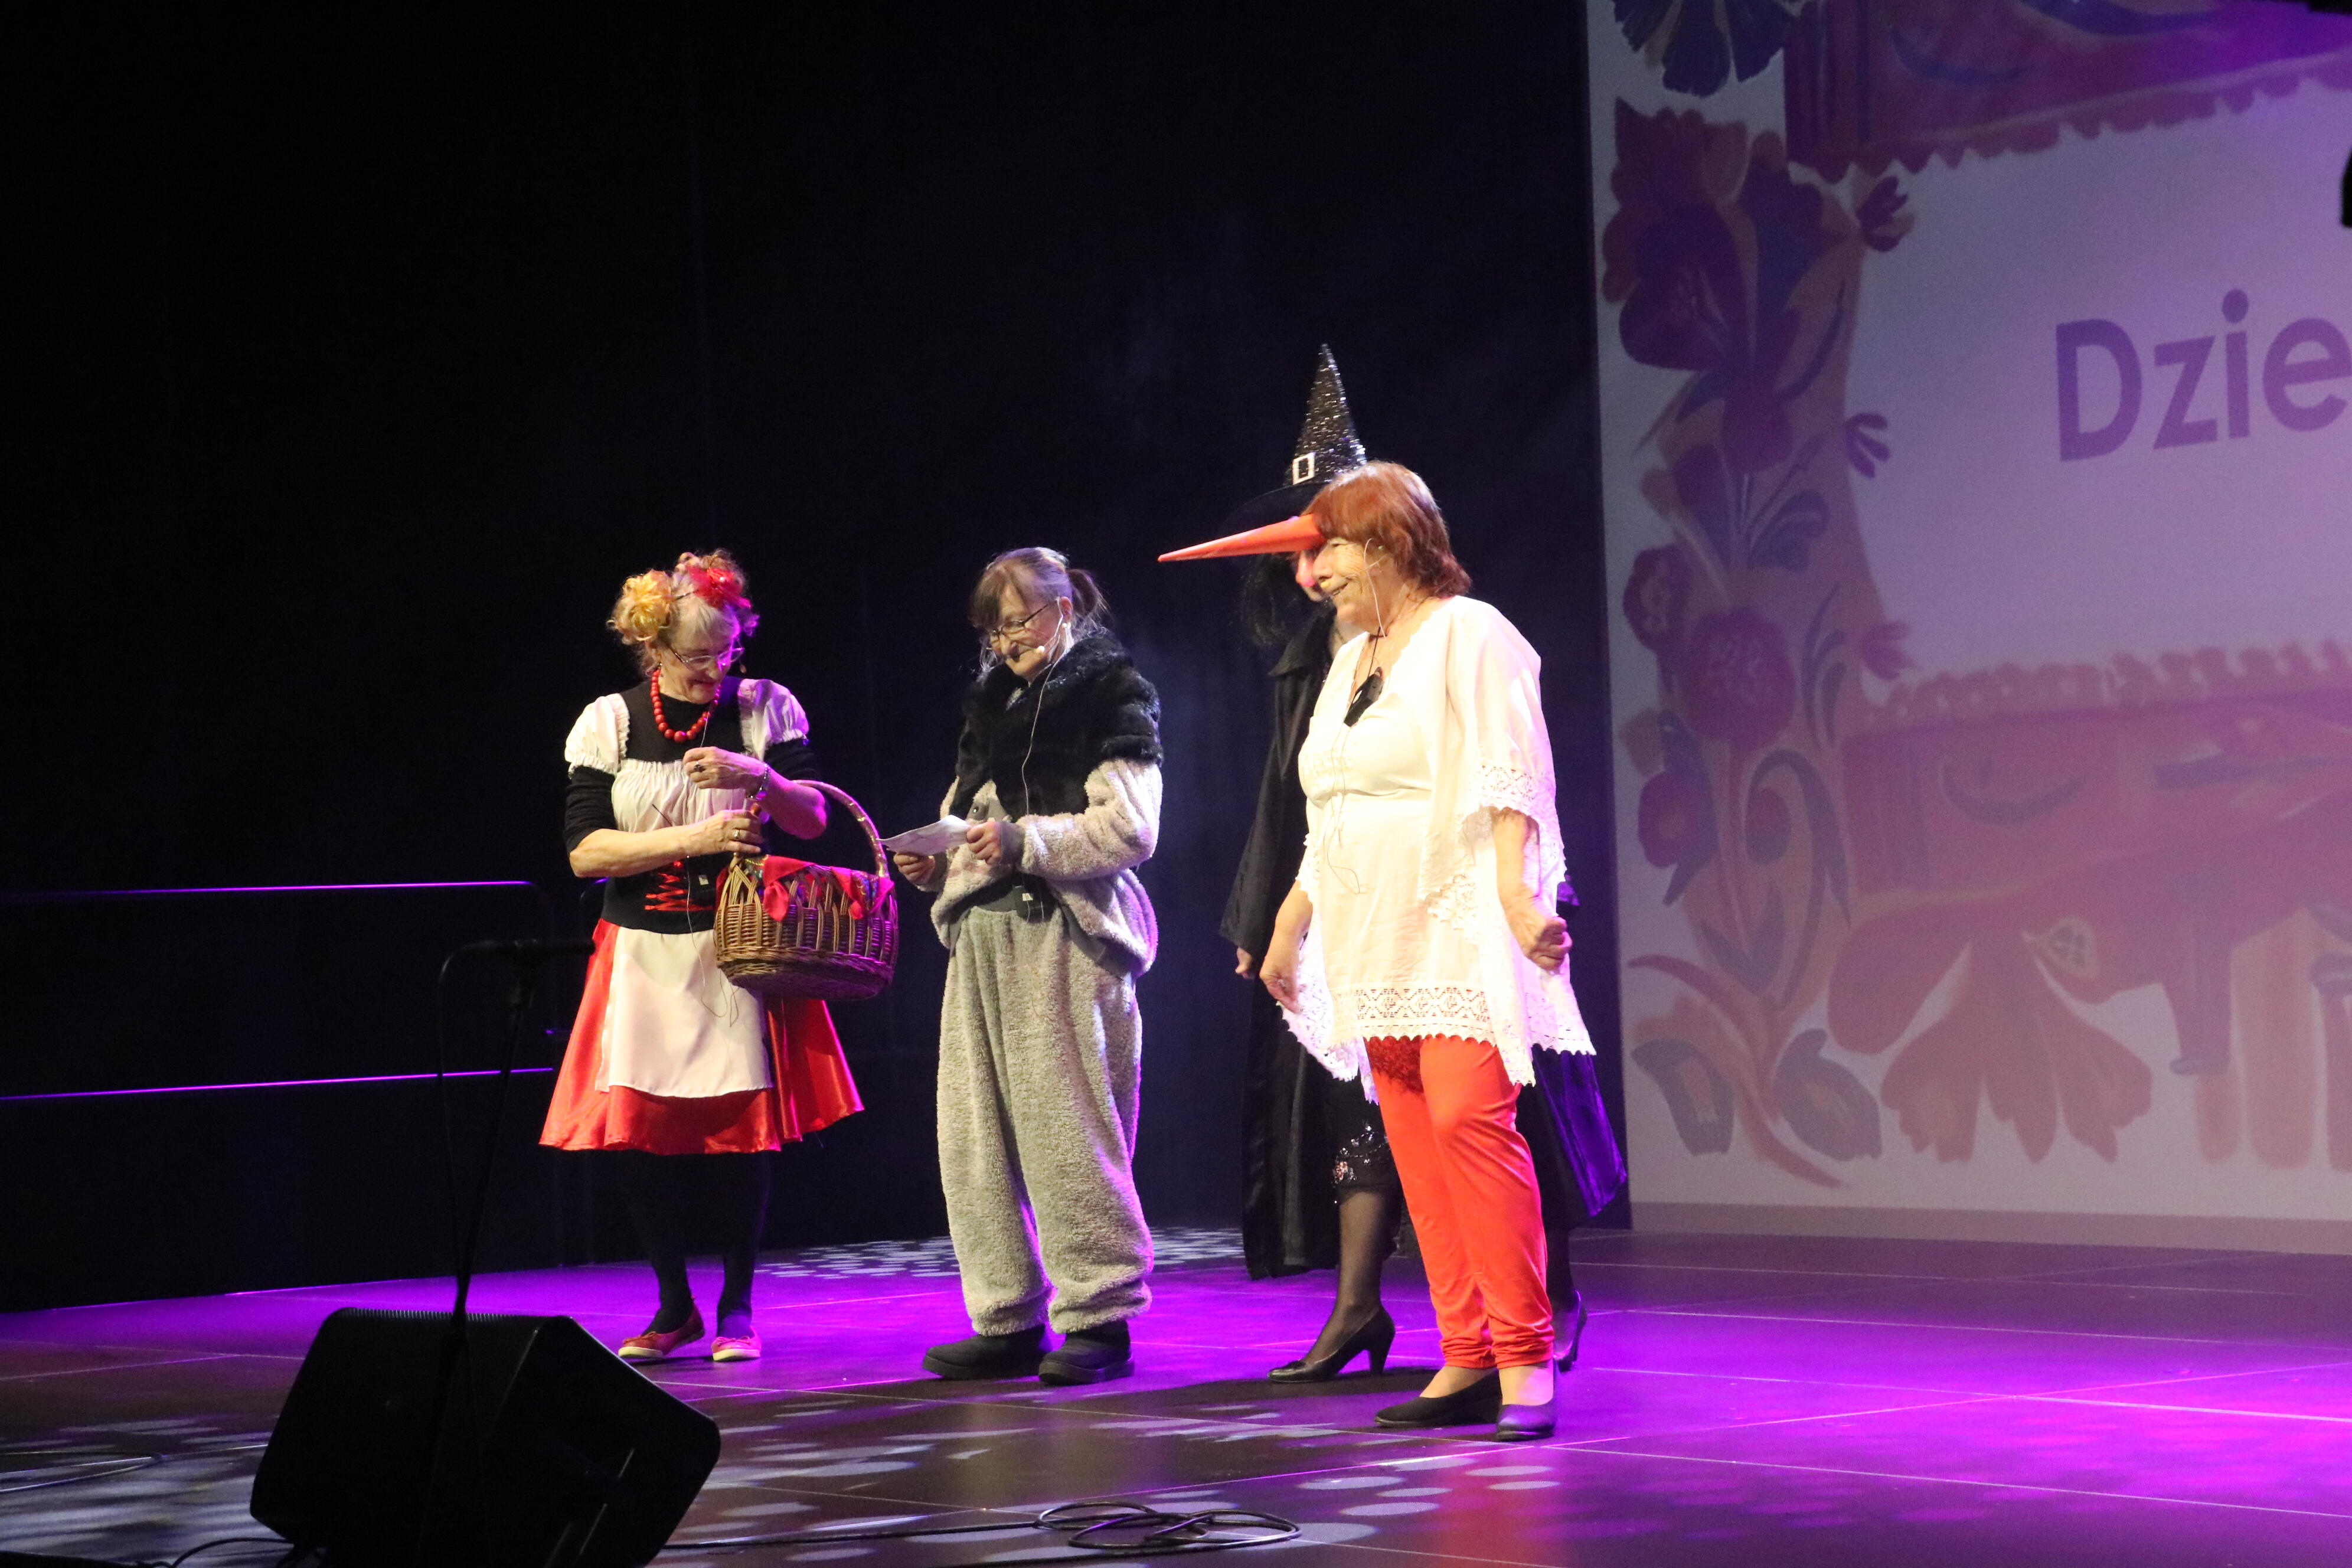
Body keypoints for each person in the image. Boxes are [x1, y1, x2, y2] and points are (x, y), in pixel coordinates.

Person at [1253, 463, 1599, 1440]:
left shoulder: (1470, 633)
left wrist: (1517, 896)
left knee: (1468, 1125)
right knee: (1413, 1141)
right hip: (1372, 933)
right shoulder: (1349, 662)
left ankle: (1525, 1355)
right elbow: (1330, 806)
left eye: (1331, 551)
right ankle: (1467, 1353)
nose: (1314, 574)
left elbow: (1511, 775)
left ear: (1390, 544)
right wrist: (1290, 921)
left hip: (1453, 921)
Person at [544, 550, 862, 1364]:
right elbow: (586, 853)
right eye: (696, 655)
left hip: (737, 946)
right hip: (641, 950)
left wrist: (759, 775)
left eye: (728, 651)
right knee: (638, 1131)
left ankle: (737, 1307)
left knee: (742, 1130)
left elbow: (812, 820)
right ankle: (673, 1304)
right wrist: (699, 835)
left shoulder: (764, 708)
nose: (715, 670)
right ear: (652, 646)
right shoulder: (609, 722)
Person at [893, 548, 1162, 1386]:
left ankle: (1101, 1316)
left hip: (1063, 936)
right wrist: (936, 860)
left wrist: (1025, 843)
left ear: (1064, 609)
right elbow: (966, 816)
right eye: (995, 629)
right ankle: (1006, 1316)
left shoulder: (1111, 695)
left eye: (1020, 621)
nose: (1007, 641)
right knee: (974, 1138)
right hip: (982, 938)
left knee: (1066, 1130)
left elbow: (1130, 829)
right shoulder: (992, 707)